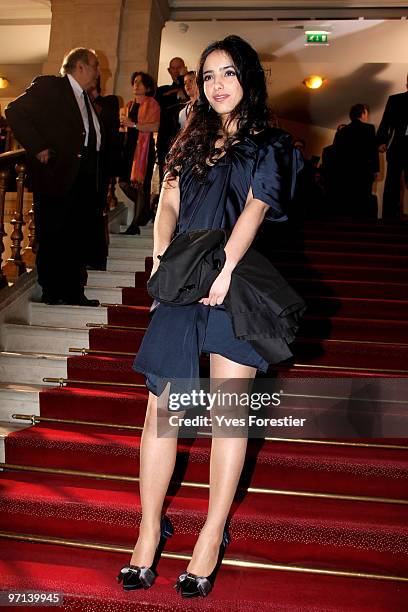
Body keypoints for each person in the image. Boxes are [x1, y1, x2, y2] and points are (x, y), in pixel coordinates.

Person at [117, 36, 303, 598]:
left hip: (237, 277)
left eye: (228, 73)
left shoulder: (269, 142)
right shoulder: (188, 137)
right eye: (208, 74)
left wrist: (224, 269)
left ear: (247, 77)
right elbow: (167, 202)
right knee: (161, 413)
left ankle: (211, 534)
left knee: (227, 415)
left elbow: (255, 207)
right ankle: (149, 530)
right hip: (183, 275)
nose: (217, 84)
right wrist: (164, 258)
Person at [5, 47, 102, 306]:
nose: (98, 72)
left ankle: (74, 291)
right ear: (79, 66)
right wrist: (37, 147)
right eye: (95, 66)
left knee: (76, 236)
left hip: (82, 177)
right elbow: (14, 110)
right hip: (56, 175)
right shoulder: (51, 85)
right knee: (53, 234)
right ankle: (52, 290)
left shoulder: (86, 98)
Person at [119, 71, 160, 235]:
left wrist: (134, 124)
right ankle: (147, 210)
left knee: (140, 186)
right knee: (123, 183)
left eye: (140, 82)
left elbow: (155, 126)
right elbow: (123, 128)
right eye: (134, 82)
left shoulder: (152, 104)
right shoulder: (128, 105)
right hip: (128, 148)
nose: (136, 85)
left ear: (147, 87)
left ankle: (134, 225)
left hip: (144, 150)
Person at [332, 104, 379, 217]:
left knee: (348, 200)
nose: (367, 117)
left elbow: (336, 154)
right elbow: (373, 151)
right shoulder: (369, 128)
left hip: (345, 172)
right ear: (363, 114)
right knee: (363, 200)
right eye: (367, 113)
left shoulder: (342, 132)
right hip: (364, 172)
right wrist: (375, 169)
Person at [377, 75, 408, 219]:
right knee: (392, 182)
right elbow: (385, 122)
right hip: (398, 146)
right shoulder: (395, 99)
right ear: (407, 83)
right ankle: (388, 217)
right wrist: (381, 141)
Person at [155, 57, 187, 183]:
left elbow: (189, 94)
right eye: (173, 68)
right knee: (165, 177)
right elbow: (162, 103)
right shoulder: (162, 90)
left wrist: (183, 79)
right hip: (165, 139)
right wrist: (177, 93)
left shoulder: (189, 88)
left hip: (183, 139)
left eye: (179, 67)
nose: (176, 70)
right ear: (169, 70)